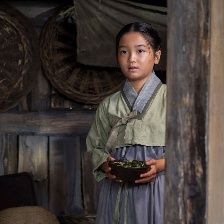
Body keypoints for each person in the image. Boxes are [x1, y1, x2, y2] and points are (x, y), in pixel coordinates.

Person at [86, 22, 166, 224]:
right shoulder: (109, 105)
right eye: (123, 52)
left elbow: (193, 148)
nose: (131, 59)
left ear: (156, 56)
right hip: (117, 191)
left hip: (162, 188)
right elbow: (95, 147)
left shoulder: (174, 99)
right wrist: (107, 166)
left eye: (140, 51)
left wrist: (161, 164)